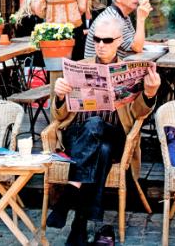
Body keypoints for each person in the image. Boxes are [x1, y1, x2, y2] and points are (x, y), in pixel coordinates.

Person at [46, 17, 161, 245]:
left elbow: (139, 113)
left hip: (116, 134)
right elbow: (58, 116)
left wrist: (149, 93)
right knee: (102, 148)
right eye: (96, 39)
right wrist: (59, 97)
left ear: (119, 41)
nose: (101, 45)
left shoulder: (131, 70)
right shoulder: (79, 65)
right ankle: (80, 225)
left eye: (107, 40)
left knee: (99, 128)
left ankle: (71, 194)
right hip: (77, 137)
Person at [84, 0, 153, 60]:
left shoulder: (122, 15)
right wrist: (141, 19)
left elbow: (135, 42)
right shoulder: (112, 18)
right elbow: (137, 47)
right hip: (98, 68)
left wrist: (163, 45)